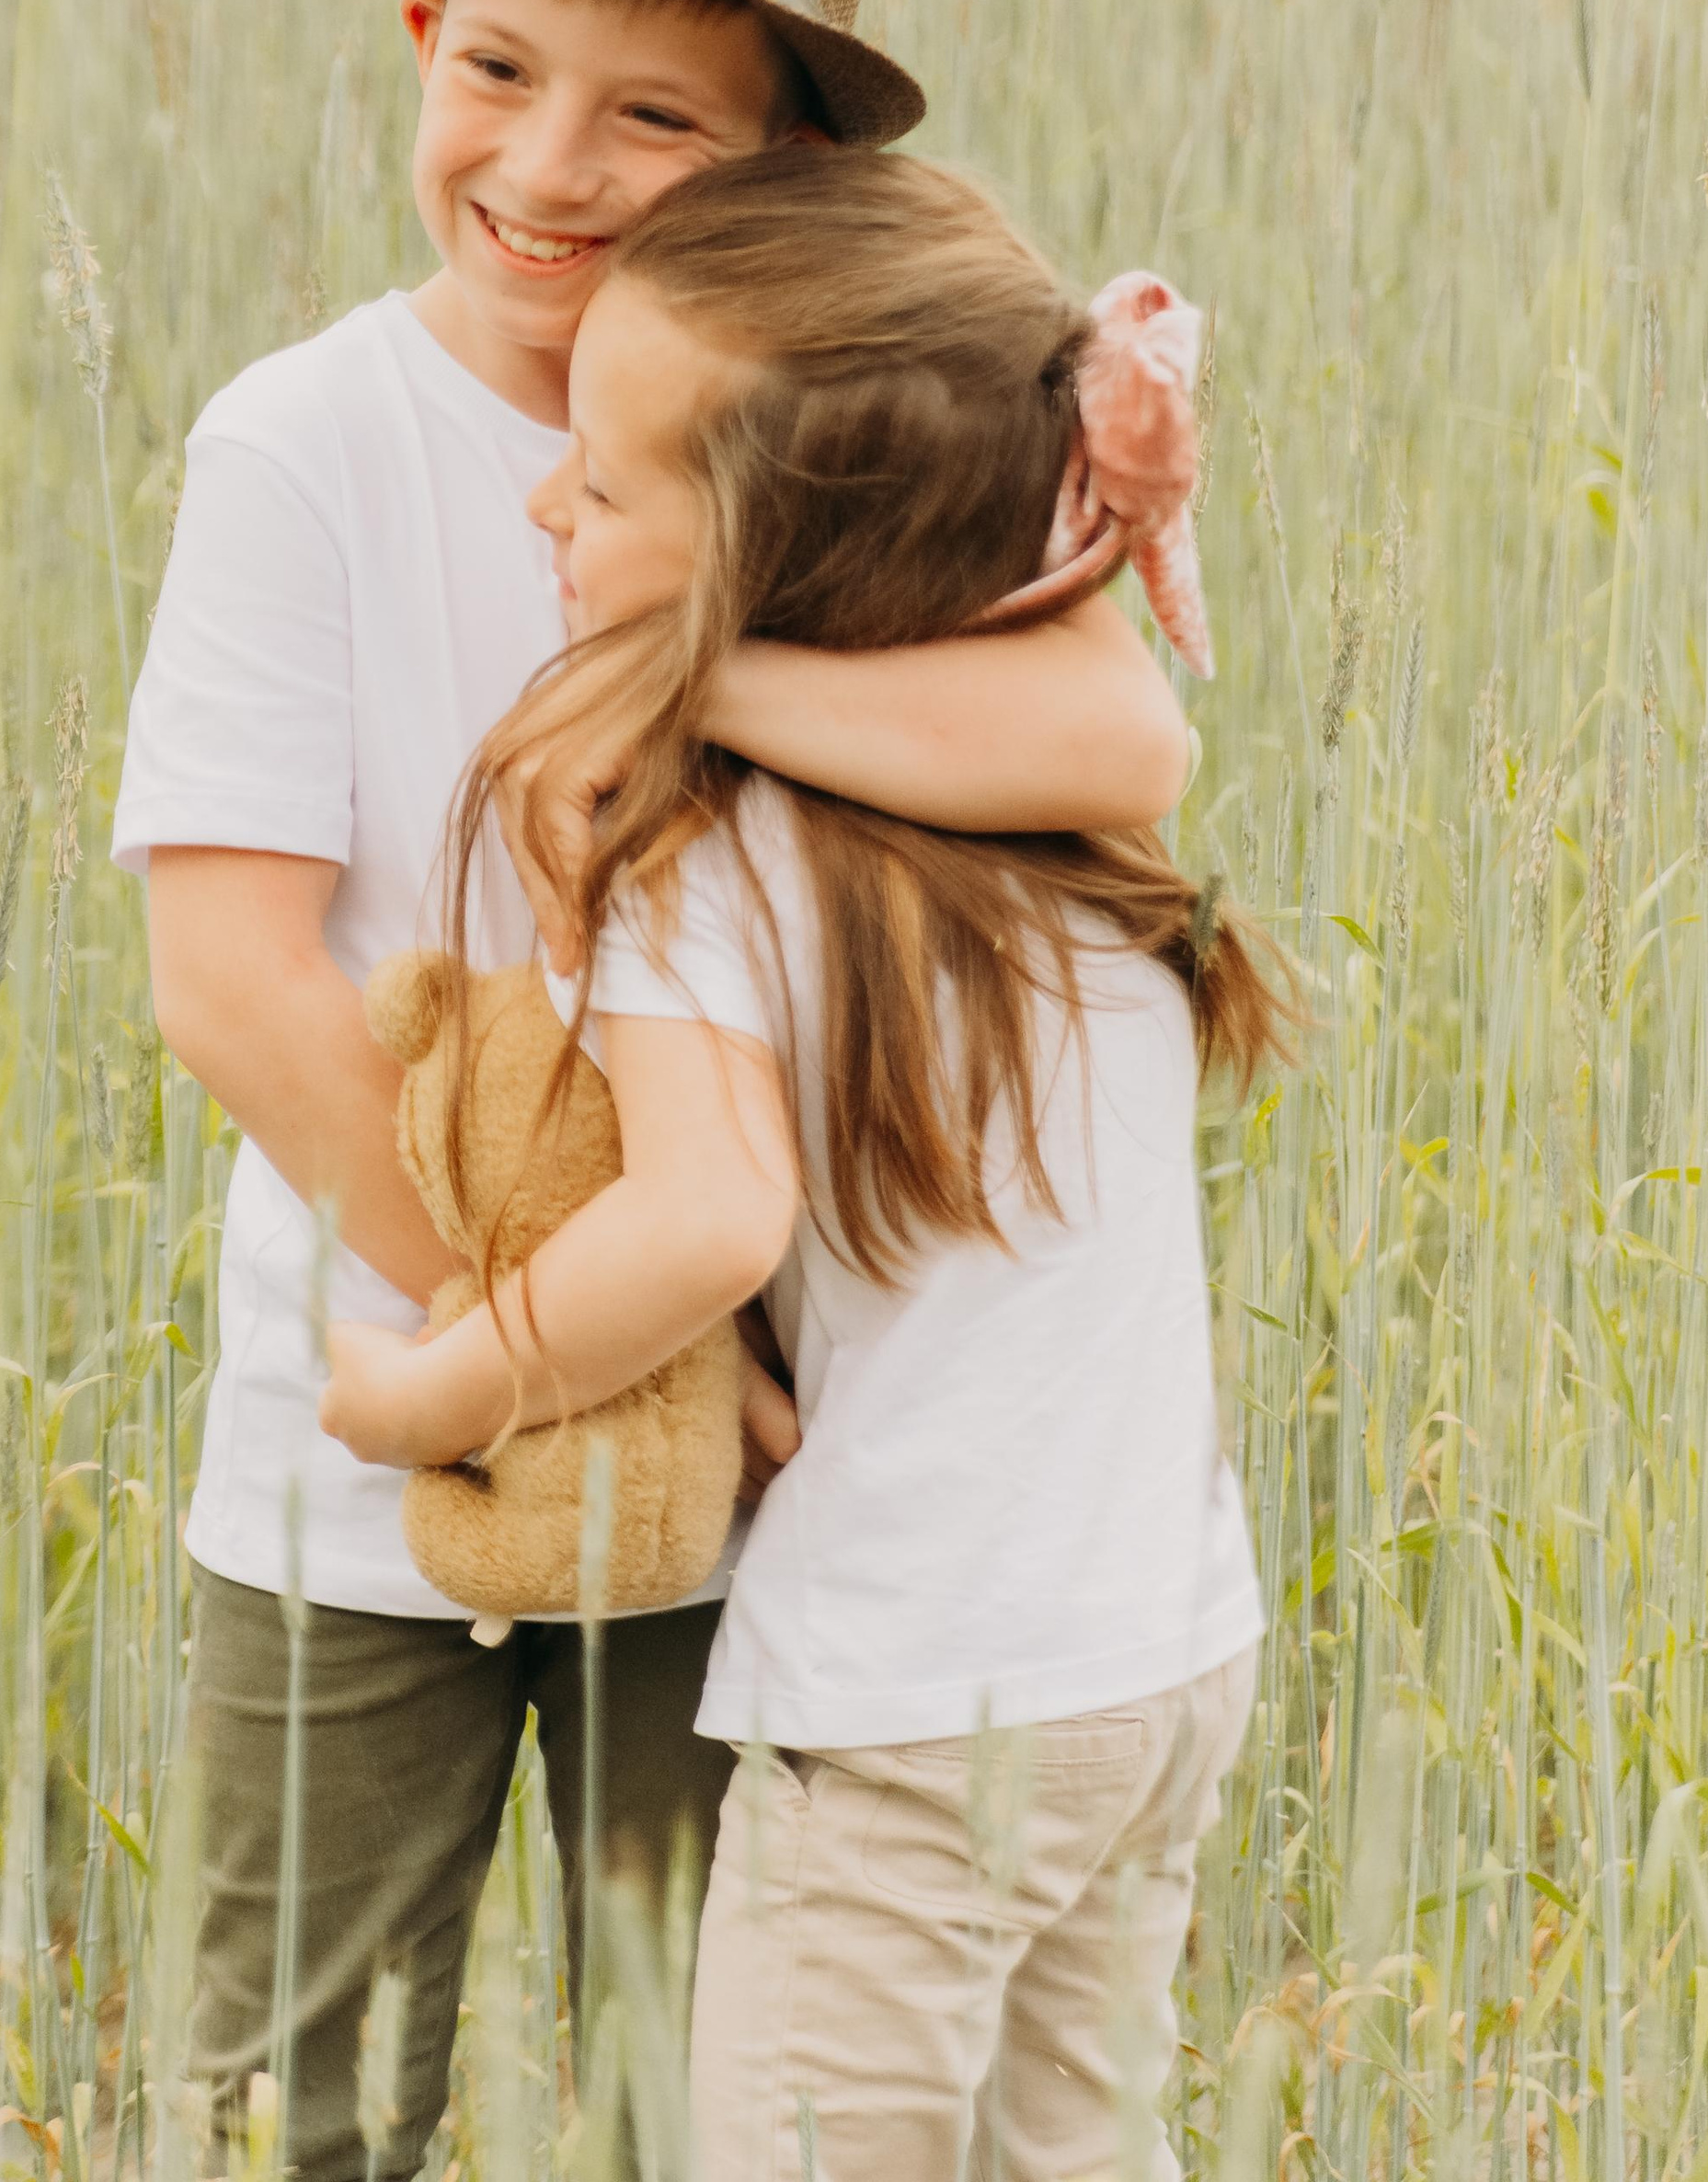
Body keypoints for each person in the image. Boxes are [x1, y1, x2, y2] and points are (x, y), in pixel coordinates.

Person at [112, 0, 1197, 2176]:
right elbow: (233, 976)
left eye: (656, 121)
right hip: (379, 1430)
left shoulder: (847, 450)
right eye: (499, 70)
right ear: (422, 42)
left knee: (672, 2092)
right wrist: (575, 1340)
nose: (549, 167)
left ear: (792, 172)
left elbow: (1122, 739)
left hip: (737, 1490)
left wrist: (704, 664)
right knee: (298, 2109)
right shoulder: (305, 441)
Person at [320, 143, 1294, 2182]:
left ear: (761, 549)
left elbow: (703, 1214)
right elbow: (1135, 729)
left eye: (596, 487)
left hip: (918, 1705)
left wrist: (434, 1380)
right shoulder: (1042, 814)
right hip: (1159, 1657)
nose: (544, 509)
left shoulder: (706, 850)